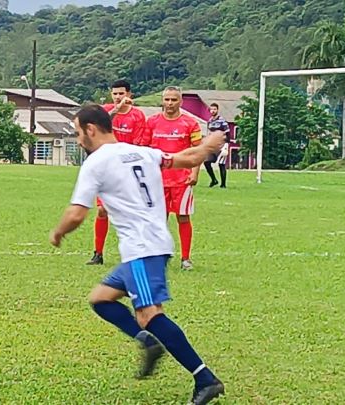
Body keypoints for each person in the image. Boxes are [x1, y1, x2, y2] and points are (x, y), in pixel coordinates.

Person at [50, 104, 225, 405]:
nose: (78, 140)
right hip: (150, 245)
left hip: (142, 249)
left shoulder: (95, 163)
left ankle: (204, 378)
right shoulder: (143, 152)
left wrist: (58, 232)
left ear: (91, 129)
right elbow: (188, 158)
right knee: (101, 299)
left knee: (149, 314)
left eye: (78, 133)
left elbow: (77, 214)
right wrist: (211, 142)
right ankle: (147, 341)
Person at [88, 79, 150, 266]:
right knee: (101, 210)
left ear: (129, 95)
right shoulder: (105, 111)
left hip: (128, 169)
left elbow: (139, 143)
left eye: (121, 94)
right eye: (114, 94)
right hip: (106, 169)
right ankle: (98, 253)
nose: (117, 97)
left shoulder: (137, 116)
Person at [148, 87, 202, 270]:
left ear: (181, 102)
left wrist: (195, 172)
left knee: (183, 217)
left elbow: (197, 151)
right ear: (162, 101)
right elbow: (145, 150)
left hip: (182, 179)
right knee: (158, 219)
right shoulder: (152, 122)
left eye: (173, 100)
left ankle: (185, 258)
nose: (170, 103)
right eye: (167, 99)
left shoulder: (190, 124)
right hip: (158, 180)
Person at [204, 103, 230, 188]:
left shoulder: (222, 121)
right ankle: (214, 180)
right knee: (206, 162)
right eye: (211, 109)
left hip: (221, 145)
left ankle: (223, 184)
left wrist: (226, 145)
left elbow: (228, 133)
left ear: (217, 110)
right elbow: (209, 133)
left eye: (214, 109)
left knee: (221, 164)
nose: (212, 111)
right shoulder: (210, 121)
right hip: (212, 145)